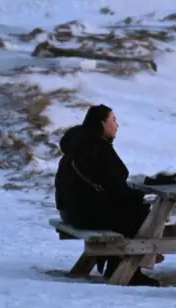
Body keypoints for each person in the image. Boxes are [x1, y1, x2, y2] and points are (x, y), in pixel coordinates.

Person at [54, 105, 159, 286]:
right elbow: (116, 188)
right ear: (102, 124)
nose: (117, 125)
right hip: (84, 215)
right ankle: (128, 270)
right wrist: (140, 196)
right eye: (113, 121)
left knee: (131, 210)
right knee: (142, 214)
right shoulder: (97, 148)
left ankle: (113, 262)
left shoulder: (78, 145)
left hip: (70, 212)